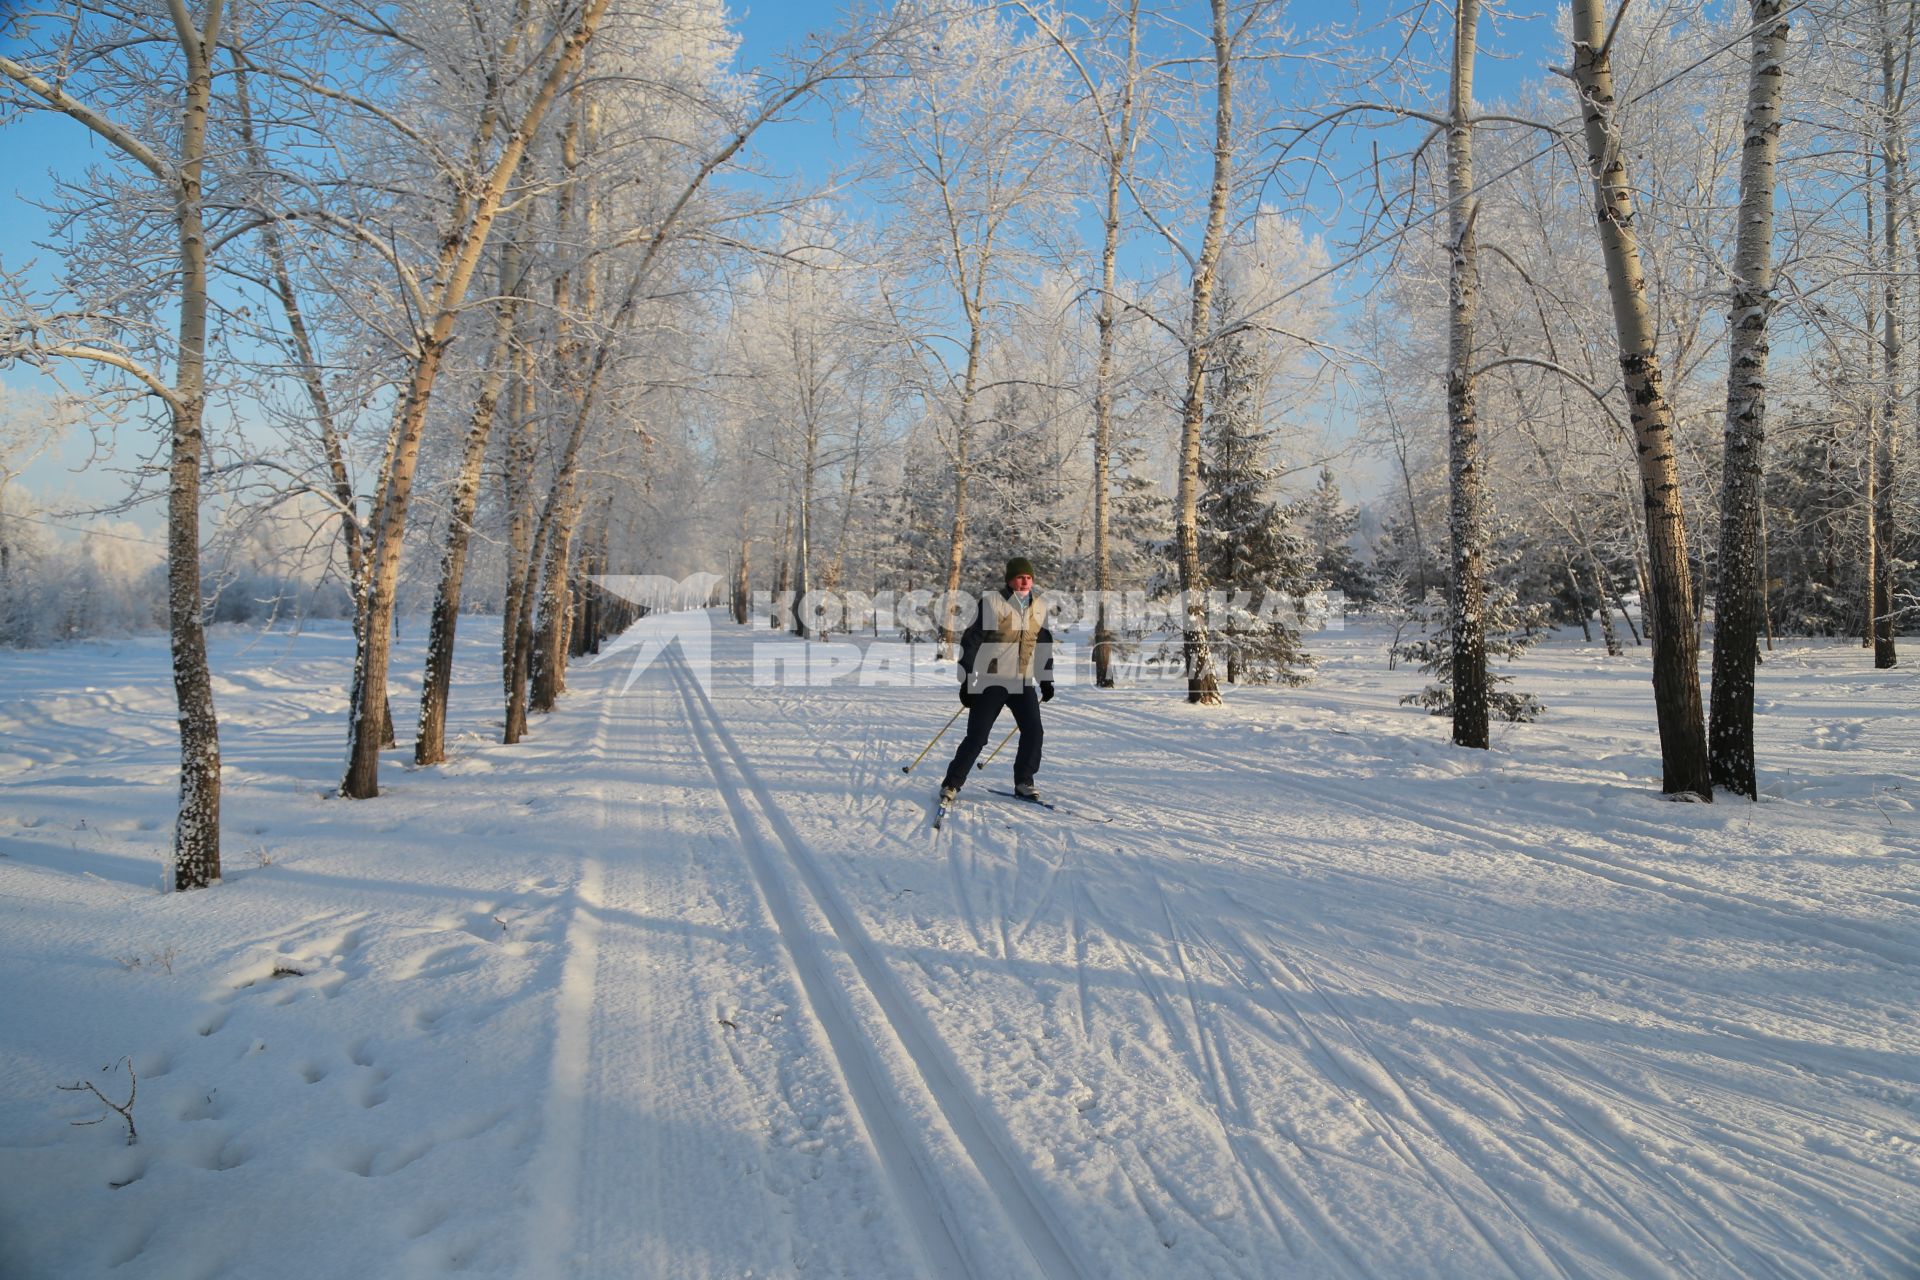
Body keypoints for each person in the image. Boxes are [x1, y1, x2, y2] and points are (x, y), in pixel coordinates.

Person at [939, 556, 1055, 808]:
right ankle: (952, 783)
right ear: (1010, 580)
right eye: (1019, 577)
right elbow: (972, 641)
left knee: (1034, 732)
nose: (1024, 581)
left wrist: (1046, 679)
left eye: (1028, 577)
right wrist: (967, 679)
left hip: (1022, 682)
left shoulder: (1039, 607)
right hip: (991, 680)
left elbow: (1043, 644)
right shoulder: (993, 603)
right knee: (978, 737)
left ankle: (1024, 781)